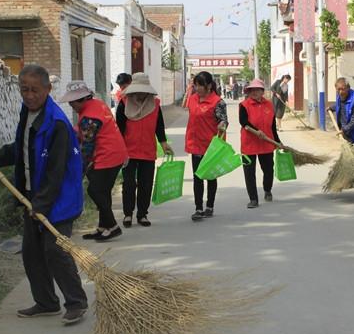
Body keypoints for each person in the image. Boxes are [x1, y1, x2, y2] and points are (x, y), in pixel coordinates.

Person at [0, 65, 88, 325]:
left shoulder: (57, 124)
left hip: (59, 198)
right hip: (33, 194)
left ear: (48, 90)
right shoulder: (28, 114)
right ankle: (47, 302)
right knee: (32, 252)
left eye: (35, 90)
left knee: (55, 250)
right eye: (24, 89)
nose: (29, 95)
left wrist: (42, 204)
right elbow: (22, 147)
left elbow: (56, 171)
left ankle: (76, 302)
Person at [60, 81, 128, 242]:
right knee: (103, 191)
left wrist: (79, 171)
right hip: (117, 152)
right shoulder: (97, 104)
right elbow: (85, 132)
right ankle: (103, 227)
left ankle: (112, 226)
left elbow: (87, 148)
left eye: (73, 102)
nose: (71, 105)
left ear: (83, 99)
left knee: (95, 190)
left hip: (107, 155)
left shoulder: (89, 117)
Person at [118, 73, 173, 228]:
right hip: (128, 150)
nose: (141, 94)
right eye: (138, 90)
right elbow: (119, 128)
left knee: (146, 183)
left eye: (144, 91)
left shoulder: (154, 104)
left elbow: (159, 126)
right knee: (128, 183)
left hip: (148, 150)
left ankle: (142, 214)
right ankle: (128, 214)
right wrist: (119, 150)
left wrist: (163, 143)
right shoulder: (124, 103)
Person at [185, 71, 228, 221]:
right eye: (195, 85)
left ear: (209, 86)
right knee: (197, 176)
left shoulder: (218, 102)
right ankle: (198, 208)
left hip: (211, 146)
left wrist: (222, 125)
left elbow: (223, 120)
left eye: (200, 85)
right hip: (195, 143)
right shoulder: (192, 99)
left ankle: (209, 205)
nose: (197, 88)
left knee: (210, 176)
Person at [239, 79, 283, 208]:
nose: (254, 92)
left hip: (267, 143)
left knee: (269, 170)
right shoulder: (244, 105)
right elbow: (244, 122)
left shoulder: (269, 105)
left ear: (262, 91)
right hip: (249, 143)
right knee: (249, 172)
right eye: (251, 90)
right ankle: (253, 199)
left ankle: (267, 189)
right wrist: (256, 131)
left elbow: (273, 126)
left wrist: (278, 141)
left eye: (257, 90)